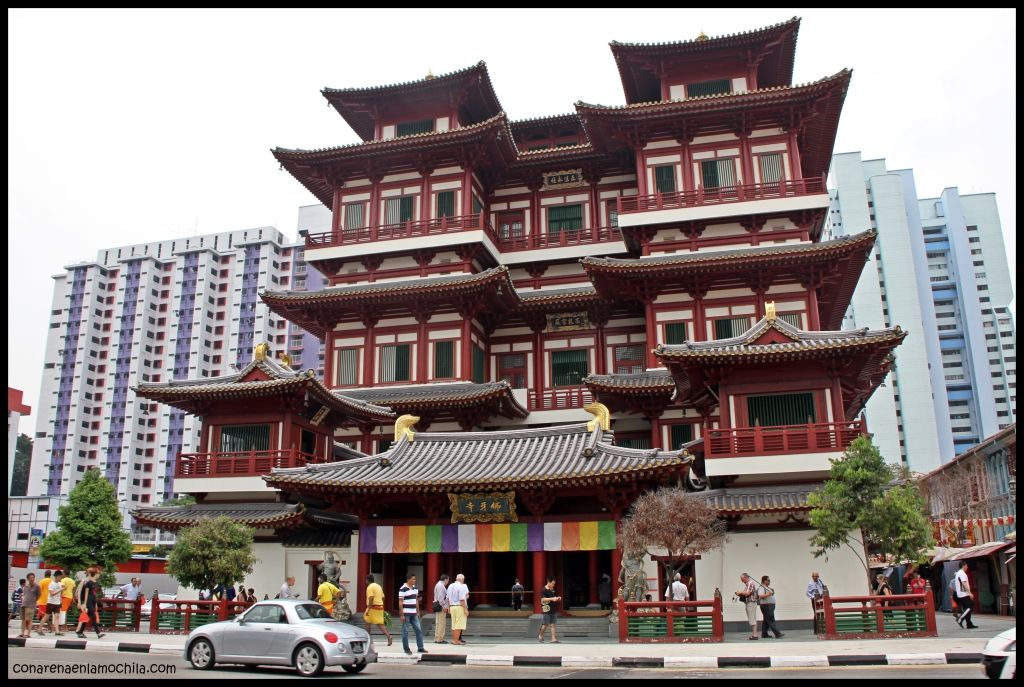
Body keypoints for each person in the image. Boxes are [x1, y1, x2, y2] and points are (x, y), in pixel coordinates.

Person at [398, 573, 428, 655]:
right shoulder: (403, 589)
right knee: (405, 631)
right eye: (413, 579)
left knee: (418, 630)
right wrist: (401, 614)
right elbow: (400, 602)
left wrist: (418, 611)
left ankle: (420, 647)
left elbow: (416, 600)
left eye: (415, 579)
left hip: (414, 613)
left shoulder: (415, 588)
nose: (415, 580)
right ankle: (406, 648)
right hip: (406, 613)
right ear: (408, 580)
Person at [75, 566, 105, 638]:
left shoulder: (95, 582)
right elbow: (82, 593)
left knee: (87, 617)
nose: (99, 575)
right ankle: (98, 633)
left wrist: (96, 604)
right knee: (93, 617)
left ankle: (80, 631)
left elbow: (94, 594)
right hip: (87, 601)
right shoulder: (86, 581)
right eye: (98, 573)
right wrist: (82, 603)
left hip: (92, 601)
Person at [363, 574, 393, 646]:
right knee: (378, 623)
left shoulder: (370, 587)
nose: (365, 582)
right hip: (380, 606)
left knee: (367, 622)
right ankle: (388, 636)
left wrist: (369, 609)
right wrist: (380, 603)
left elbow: (371, 598)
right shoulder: (378, 586)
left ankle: (368, 639)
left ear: (367, 580)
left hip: (372, 607)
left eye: (365, 580)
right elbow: (383, 597)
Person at [537, 576, 562, 643]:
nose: (553, 585)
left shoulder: (552, 589)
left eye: (554, 584)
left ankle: (553, 638)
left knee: (553, 624)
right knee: (545, 624)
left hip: (553, 609)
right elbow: (543, 599)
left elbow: (554, 597)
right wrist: (552, 599)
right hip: (546, 609)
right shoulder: (544, 590)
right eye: (552, 583)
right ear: (548, 582)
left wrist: (558, 598)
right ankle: (540, 634)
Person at [447, 573, 469, 645]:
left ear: (456, 579)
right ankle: (456, 640)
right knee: (459, 624)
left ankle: (454, 640)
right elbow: (462, 599)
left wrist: (448, 607)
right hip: (459, 606)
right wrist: (465, 609)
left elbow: (447, 598)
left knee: (454, 624)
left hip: (452, 606)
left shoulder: (450, 585)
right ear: (462, 579)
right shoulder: (461, 586)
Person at [954, 560, 978, 629]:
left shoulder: (959, 573)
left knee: (967, 608)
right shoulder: (962, 573)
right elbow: (964, 583)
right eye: (966, 565)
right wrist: (970, 593)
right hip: (963, 594)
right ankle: (960, 619)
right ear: (963, 566)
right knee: (970, 606)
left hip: (961, 593)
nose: (967, 567)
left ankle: (969, 623)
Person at [735, 572, 759, 640]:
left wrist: (740, 592)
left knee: (752, 618)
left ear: (746, 577)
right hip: (750, 603)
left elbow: (748, 593)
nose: (741, 581)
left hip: (751, 603)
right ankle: (754, 634)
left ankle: (755, 635)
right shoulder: (747, 584)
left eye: (742, 579)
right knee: (752, 618)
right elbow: (746, 594)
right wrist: (740, 594)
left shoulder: (750, 583)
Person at [19, 574, 41, 638]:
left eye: (33, 577)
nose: (32, 579)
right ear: (28, 579)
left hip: (31, 605)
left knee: (29, 619)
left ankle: (28, 633)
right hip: (24, 604)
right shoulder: (25, 586)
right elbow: (25, 594)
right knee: (23, 619)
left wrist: (34, 600)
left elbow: (39, 595)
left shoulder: (37, 586)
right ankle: (22, 633)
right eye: (30, 578)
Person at [432, 574, 449, 644]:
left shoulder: (438, 585)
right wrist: (444, 606)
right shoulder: (441, 586)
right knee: (441, 622)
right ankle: (440, 638)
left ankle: (437, 638)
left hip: (438, 605)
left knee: (438, 622)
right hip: (441, 605)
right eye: (448, 580)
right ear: (445, 579)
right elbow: (441, 598)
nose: (448, 581)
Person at [46, 571, 64, 635]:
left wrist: (60, 600)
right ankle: (40, 628)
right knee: (46, 616)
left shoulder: (60, 584)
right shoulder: (51, 584)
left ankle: (57, 631)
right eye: (60, 577)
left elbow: (61, 592)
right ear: (57, 576)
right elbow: (52, 594)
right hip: (51, 602)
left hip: (57, 602)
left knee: (57, 617)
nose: (61, 578)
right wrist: (60, 590)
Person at [36, 569, 52, 635]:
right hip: (49, 601)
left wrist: (37, 600)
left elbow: (39, 591)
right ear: (50, 575)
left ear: (44, 574)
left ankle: (49, 627)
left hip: (42, 601)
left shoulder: (42, 581)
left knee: (42, 616)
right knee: (44, 615)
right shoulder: (52, 581)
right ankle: (46, 627)